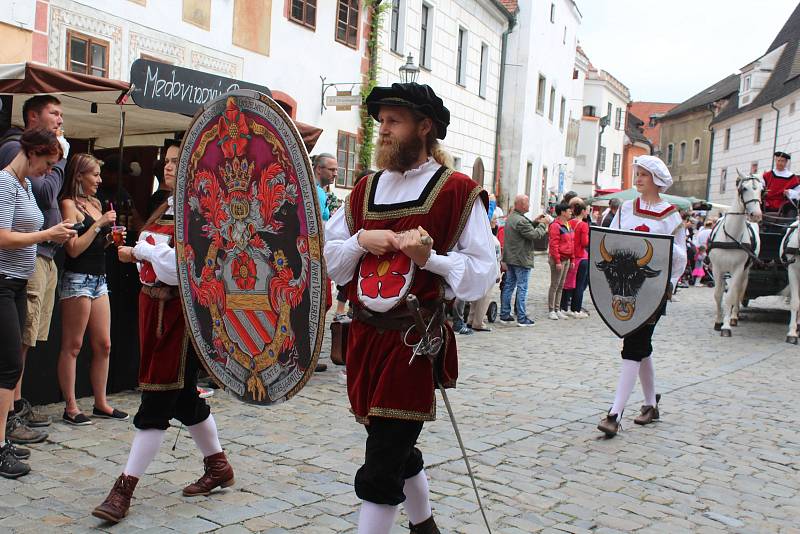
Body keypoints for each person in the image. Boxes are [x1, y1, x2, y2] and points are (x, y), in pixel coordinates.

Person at [323, 82, 495, 534]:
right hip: (363, 339)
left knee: (381, 466)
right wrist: (362, 240)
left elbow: (483, 273)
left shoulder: (457, 191)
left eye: (393, 121)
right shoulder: (364, 190)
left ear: (425, 127)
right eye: (381, 121)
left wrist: (430, 259)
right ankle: (426, 528)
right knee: (394, 446)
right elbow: (329, 258)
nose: (383, 130)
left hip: (413, 342)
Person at [92, 143, 234, 523]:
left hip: (177, 315)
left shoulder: (202, 212)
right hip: (151, 307)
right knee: (183, 396)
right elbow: (155, 255)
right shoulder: (165, 206)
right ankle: (218, 466)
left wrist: (140, 253)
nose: (169, 167)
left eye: (176, 162)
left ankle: (124, 488)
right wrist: (135, 251)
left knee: (156, 399)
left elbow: (180, 269)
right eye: (167, 162)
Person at [0, 128, 75, 478]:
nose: (49, 171)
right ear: (31, 153)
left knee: (10, 364)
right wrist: (47, 234)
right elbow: (2, 237)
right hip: (3, 282)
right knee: (9, 364)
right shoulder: (5, 184)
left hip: (15, 284)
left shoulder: (26, 185)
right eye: (47, 163)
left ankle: (1, 438)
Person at [597, 155, 687, 437]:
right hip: (625, 288)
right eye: (637, 173)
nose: (637, 178)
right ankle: (650, 405)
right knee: (641, 345)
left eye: (644, 174)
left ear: (656, 180)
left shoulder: (671, 215)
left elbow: (679, 255)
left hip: (652, 289)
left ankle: (615, 413)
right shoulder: (625, 209)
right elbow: (610, 240)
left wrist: (670, 282)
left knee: (633, 345)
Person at [57, 153, 129, 425]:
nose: (99, 179)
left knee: (104, 344)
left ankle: (101, 402)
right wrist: (99, 225)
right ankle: (71, 406)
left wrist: (108, 238)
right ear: (79, 176)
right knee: (73, 345)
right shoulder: (68, 205)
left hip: (99, 278)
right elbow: (73, 248)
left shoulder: (96, 203)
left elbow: (95, 245)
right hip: (77, 278)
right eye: (94, 174)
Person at [499, 194, 548, 326]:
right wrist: (543, 225)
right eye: (527, 203)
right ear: (520, 204)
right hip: (521, 259)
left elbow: (525, 229)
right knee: (522, 287)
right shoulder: (520, 220)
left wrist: (535, 222)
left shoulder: (512, 217)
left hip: (511, 258)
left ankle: (504, 314)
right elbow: (534, 235)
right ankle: (521, 317)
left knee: (509, 286)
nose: (529, 205)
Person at [547, 202, 574, 320]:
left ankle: (557, 309)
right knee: (555, 284)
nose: (571, 212)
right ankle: (551, 310)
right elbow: (554, 245)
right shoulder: (555, 226)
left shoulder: (568, 225)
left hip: (567, 259)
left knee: (561, 285)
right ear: (563, 212)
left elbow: (571, 243)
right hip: (559, 259)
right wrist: (557, 261)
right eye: (569, 211)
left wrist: (572, 258)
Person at [566, 201, 590, 318]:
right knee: (579, 284)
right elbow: (585, 242)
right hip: (581, 256)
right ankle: (576, 309)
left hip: (570, 256)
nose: (587, 213)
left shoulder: (569, 222)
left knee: (568, 283)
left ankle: (564, 307)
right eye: (586, 211)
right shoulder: (583, 225)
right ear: (582, 211)